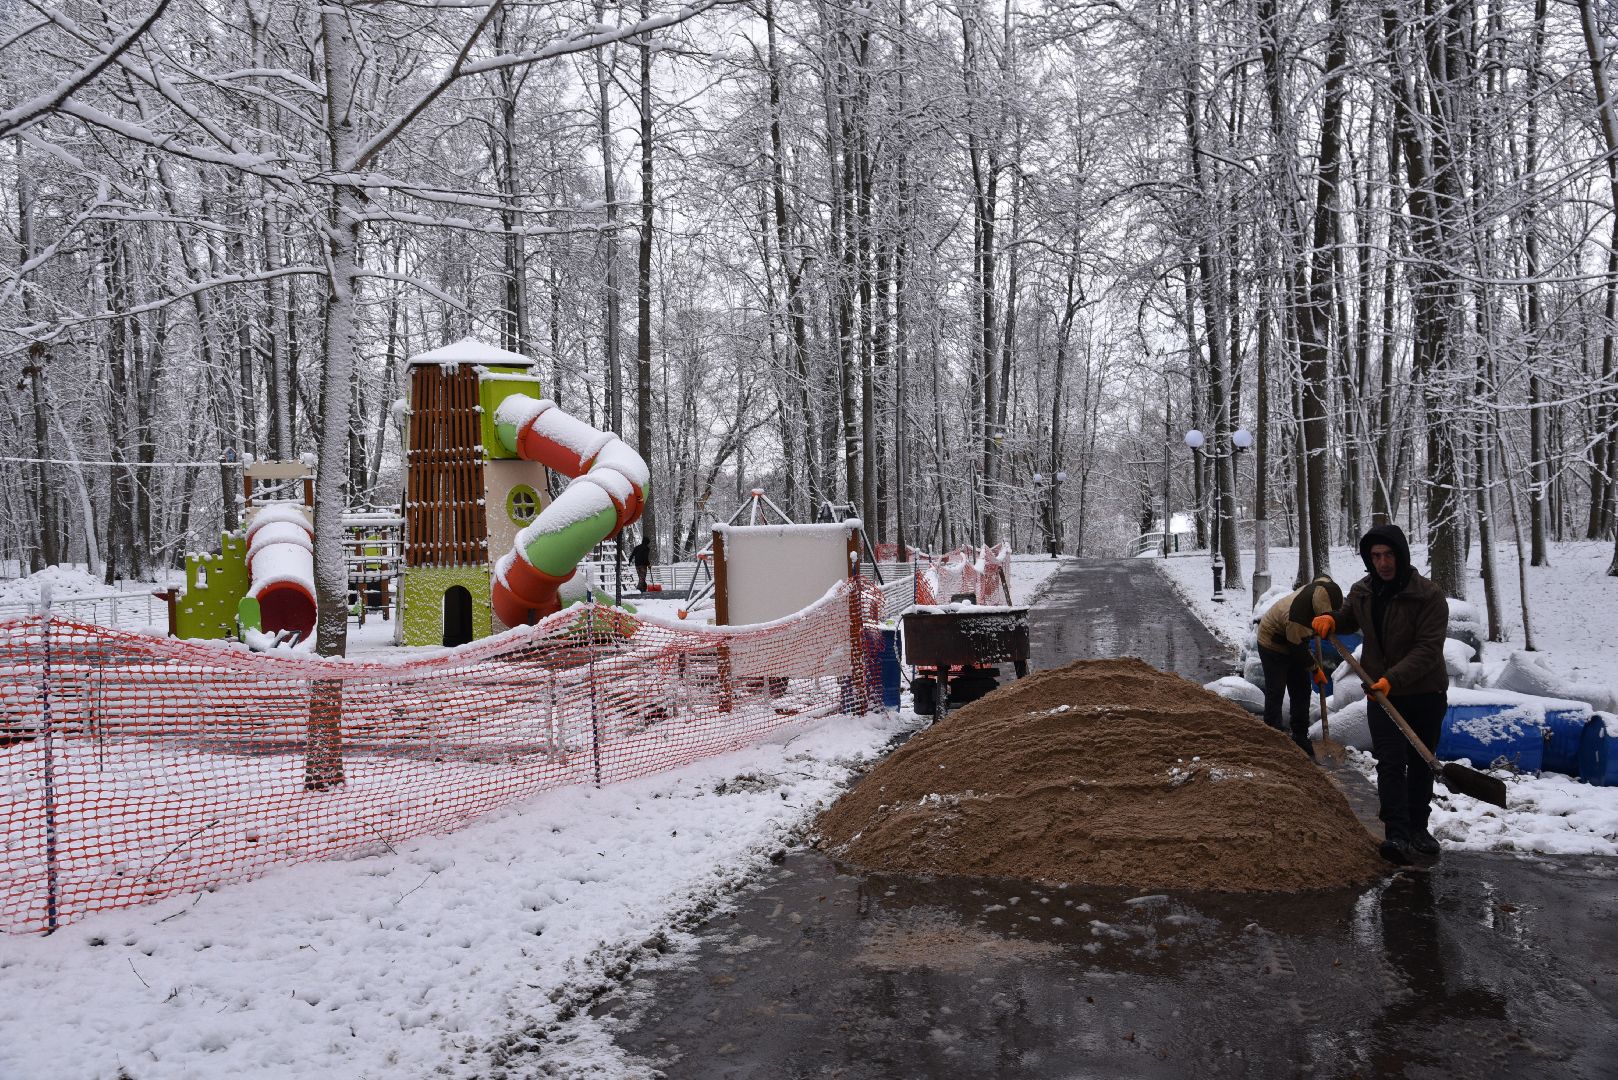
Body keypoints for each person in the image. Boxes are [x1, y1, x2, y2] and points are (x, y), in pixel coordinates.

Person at [1312, 523, 1449, 866]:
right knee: (1390, 762)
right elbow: (1349, 617)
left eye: (1388, 555)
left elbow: (1428, 649)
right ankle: (1397, 834)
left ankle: (1418, 828)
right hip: (1380, 693)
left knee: (1421, 762)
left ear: (1401, 555)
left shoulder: (1428, 596)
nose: (1383, 563)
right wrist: (1332, 620)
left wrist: (1392, 678)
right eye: (1375, 556)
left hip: (1424, 692)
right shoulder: (1363, 591)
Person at [1254, 574, 1343, 760]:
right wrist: (1315, 669)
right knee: (1276, 689)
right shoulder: (1298, 617)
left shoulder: (1323, 589)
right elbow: (1298, 649)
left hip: (1294, 639)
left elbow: (1322, 577)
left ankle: (1300, 735)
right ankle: (1273, 737)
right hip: (1272, 641)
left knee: (1302, 689)